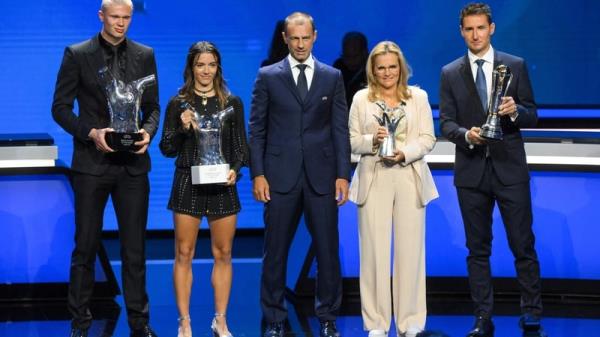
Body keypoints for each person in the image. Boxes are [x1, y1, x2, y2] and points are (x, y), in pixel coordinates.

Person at [51, 1, 160, 337]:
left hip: (132, 166)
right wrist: (91, 133)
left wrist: (149, 132)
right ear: (101, 16)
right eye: (115, 17)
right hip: (91, 165)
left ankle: (139, 323)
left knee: (134, 248)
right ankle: (80, 323)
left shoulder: (145, 54)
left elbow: (153, 108)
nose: (121, 23)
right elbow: (60, 108)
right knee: (85, 246)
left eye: (127, 18)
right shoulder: (77, 53)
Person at [439, 3, 544, 337]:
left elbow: (533, 115)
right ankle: (483, 317)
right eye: (469, 29)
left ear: (492, 28)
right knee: (477, 248)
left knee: (523, 245)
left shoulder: (515, 65)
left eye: (480, 28)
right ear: (461, 32)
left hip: (509, 169)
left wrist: (515, 112)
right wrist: (465, 135)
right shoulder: (450, 72)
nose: (475, 35)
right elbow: (446, 124)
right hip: (471, 171)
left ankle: (531, 313)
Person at [248, 11, 351, 337]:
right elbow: (258, 130)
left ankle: (328, 317)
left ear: (315, 36)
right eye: (295, 38)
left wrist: (342, 174)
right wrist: (258, 174)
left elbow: (339, 129)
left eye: (306, 38)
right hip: (279, 176)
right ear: (285, 39)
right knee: (275, 250)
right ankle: (275, 318)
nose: (301, 44)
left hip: (322, 176)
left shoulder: (332, 76)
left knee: (327, 250)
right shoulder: (268, 76)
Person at [348, 41, 438, 337]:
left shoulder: (418, 97)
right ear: (373, 70)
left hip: (409, 175)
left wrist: (405, 152)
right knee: (373, 252)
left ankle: (410, 322)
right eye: (381, 67)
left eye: (392, 67)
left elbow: (427, 138)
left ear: (401, 68)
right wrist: (372, 139)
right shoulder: (362, 98)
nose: (387, 73)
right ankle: (376, 323)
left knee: (411, 252)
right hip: (374, 176)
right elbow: (350, 140)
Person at [159, 41, 249, 337]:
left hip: (223, 184)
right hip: (188, 183)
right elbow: (167, 148)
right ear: (191, 68)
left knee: (223, 252)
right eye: (200, 65)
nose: (206, 70)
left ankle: (220, 320)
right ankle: (185, 322)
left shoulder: (232, 102)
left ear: (218, 67)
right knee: (184, 252)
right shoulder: (178, 103)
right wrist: (183, 128)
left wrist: (235, 170)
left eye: (211, 64)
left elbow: (240, 148)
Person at [333, 31, 369, 109]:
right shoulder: (338, 67)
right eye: (346, 56)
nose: (350, 61)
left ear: (365, 53)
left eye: (355, 56)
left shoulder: (374, 69)